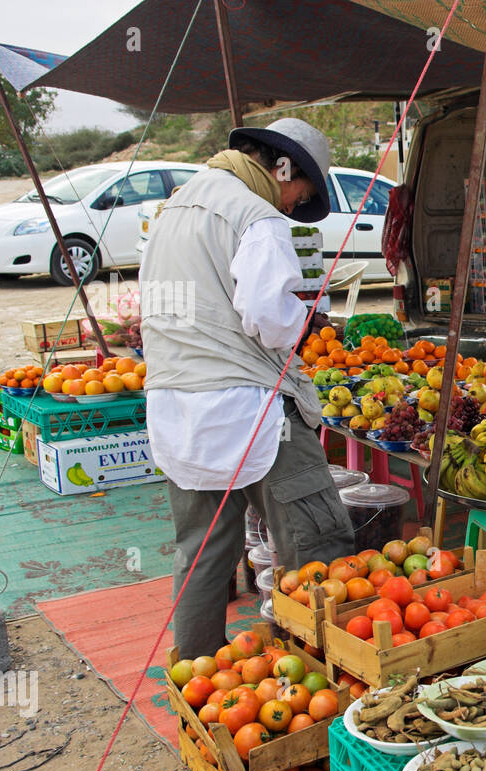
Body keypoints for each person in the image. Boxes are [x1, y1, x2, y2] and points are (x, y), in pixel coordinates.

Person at [140, 118, 355, 657]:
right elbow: (269, 321)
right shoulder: (255, 216)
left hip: (174, 407)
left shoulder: (175, 210)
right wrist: (306, 316)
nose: (291, 205)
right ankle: (334, 673)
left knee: (202, 551)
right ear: (283, 168)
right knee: (318, 540)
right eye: (299, 193)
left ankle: (198, 680)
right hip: (248, 406)